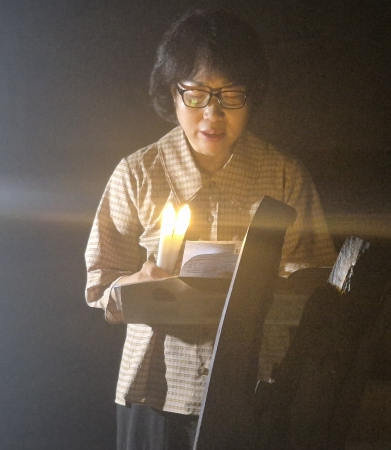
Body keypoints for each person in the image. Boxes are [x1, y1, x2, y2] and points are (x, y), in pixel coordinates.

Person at [84, 8, 336, 450]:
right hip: (156, 390)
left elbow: (314, 274)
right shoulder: (138, 173)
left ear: (252, 96)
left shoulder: (282, 175)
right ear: (173, 92)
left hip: (255, 382)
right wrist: (134, 286)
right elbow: (101, 281)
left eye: (231, 94)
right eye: (197, 93)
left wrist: (272, 285)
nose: (213, 113)